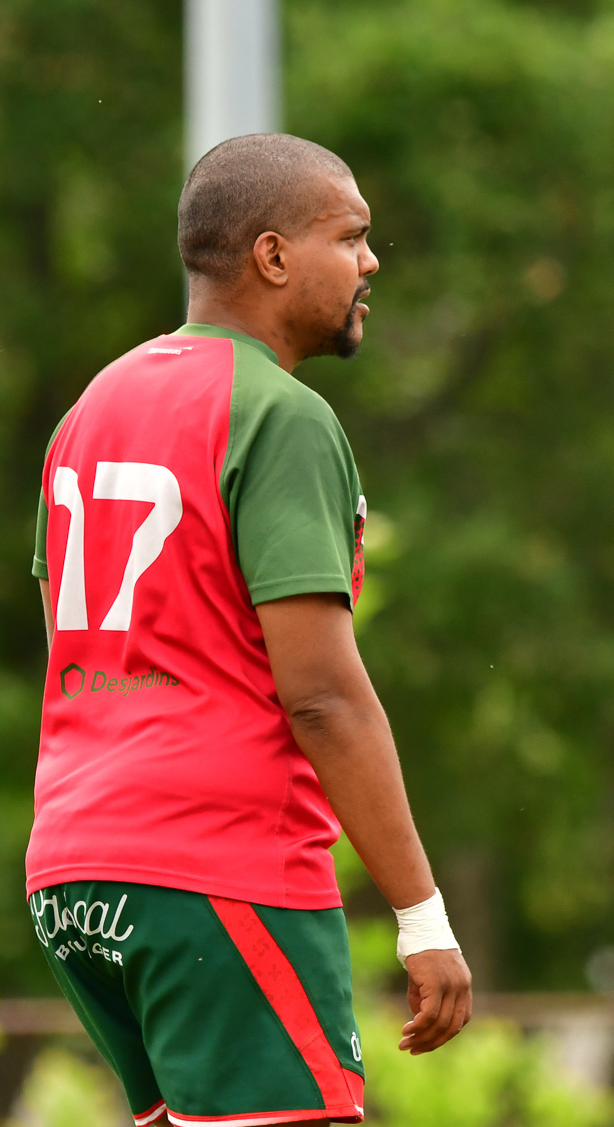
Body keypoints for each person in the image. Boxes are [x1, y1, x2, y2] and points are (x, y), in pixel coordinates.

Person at [27, 133, 472, 1127]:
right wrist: (422, 916)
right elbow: (319, 692)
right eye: (350, 237)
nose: (371, 262)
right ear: (272, 257)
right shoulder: (281, 415)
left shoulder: (92, 407)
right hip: (217, 873)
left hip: (75, 869)